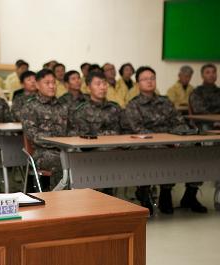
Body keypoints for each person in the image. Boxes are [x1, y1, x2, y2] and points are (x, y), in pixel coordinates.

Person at [122, 66, 207, 214]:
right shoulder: (133, 105)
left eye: (152, 78)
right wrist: (164, 140)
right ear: (137, 84)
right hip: (148, 144)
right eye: (145, 79)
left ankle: (188, 195)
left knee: (196, 146)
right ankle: (145, 194)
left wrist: (177, 137)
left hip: (170, 141)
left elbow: (179, 121)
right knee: (150, 150)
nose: (150, 82)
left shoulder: (165, 102)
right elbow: (138, 129)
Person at [21, 69, 68, 190]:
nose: (52, 86)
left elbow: (72, 130)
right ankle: (57, 197)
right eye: (47, 83)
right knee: (61, 160)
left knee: (81, 158)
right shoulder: (30, 106)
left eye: (53, 82)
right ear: (37, 85)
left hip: (63, 149)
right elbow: (33, 135)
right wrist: (57, 142)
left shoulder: (63, 105)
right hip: (41, 152)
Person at [69, 71, 121, 137]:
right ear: (88, 88)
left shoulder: (115, 107)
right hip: (93, 146)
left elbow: (125, 132)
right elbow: (82, 137)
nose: (102, 87)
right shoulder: (81, 111)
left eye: (104, 84)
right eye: (98, 84)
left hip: (117, 145)